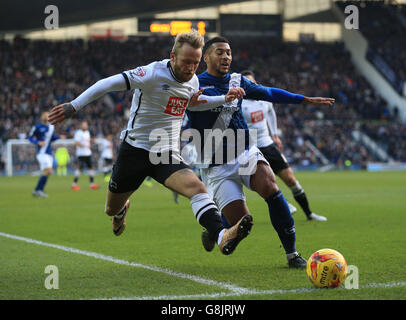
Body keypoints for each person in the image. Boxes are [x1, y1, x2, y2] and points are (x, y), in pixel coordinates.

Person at [48, 30, 251, 255]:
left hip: (165, 150)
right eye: (186, 62)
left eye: (195, 63)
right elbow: (106, 84)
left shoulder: (193, 80)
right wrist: (73, 106)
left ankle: (222, 236)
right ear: (173, 57)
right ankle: (120, 211)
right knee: (110, 208)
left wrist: (224, 98)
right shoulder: (151, 73)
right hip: (135, 150)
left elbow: (191, 104)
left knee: (197, 188)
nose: (191, 68)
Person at [186, 36, 335, 268]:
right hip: (215, 164)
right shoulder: (192, 84)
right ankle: (218, 230)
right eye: (220, 52)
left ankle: (292, 254)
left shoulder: (238, 79)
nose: (226, 56)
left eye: (229, 52)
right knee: (243, 222)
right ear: (206, 57)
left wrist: (303, 100)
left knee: (271, 187)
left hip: (244, 152)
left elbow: (269, 93)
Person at [240, 70, 327, 222]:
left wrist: (274, 135)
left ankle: (309, 214)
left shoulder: (263, 99)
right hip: (251, 147)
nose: (251, 84)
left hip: (268, 143)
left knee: (291, 180)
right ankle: (285, 204)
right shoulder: (239, 103)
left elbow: (271, 113)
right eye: (247, 82)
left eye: (252, 81)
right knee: (261, 182)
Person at [28, 111, 59, 198]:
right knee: (48, 170)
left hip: (49, 153)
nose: (46, 116)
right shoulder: (36, 127)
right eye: (44, 114)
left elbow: (52, 138)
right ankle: (39, 190)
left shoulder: (51, 127)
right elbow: (30, 138)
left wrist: (60, 137)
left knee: (47, 172)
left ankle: (37, 190)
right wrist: (38, 142)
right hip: (41, 153)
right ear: (41, 117)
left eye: (48, 114)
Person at [71, 121, 100, 190]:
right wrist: (85, 145)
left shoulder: (87, 132)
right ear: (81, 126)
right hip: (81, 154)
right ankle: (74, 184)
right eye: (84, 125)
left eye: (86, 125)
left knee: (91, 168)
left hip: (88, 153)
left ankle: (92, 184)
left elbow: (88, 141)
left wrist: (92, 142)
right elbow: (76, 142)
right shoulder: (78, 133)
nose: (85, 126)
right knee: (80, 168)